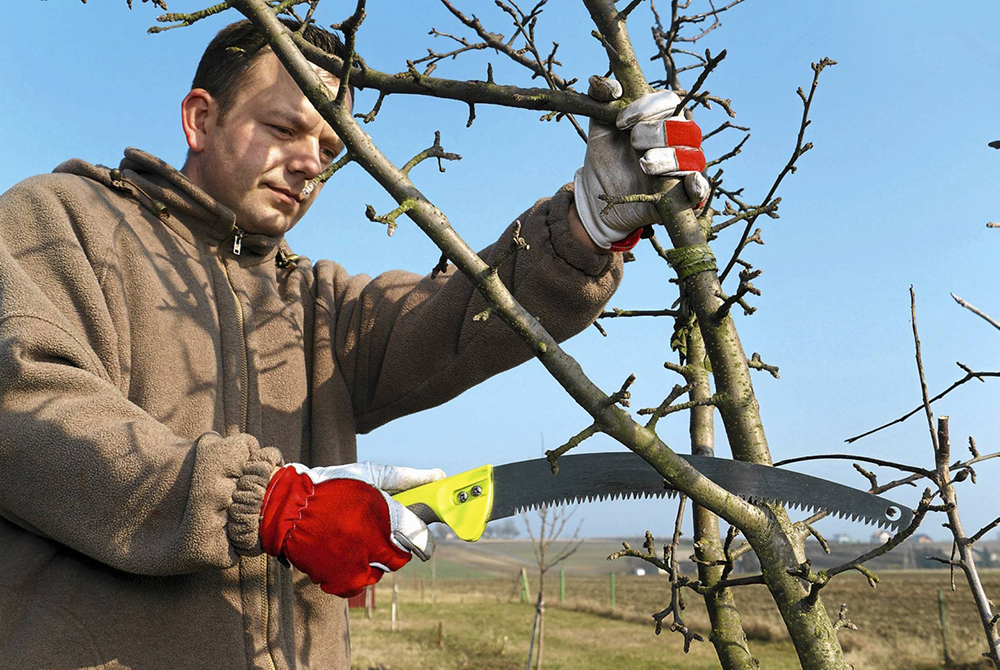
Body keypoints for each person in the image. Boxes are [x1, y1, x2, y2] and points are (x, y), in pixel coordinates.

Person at [0, 18, 705, 670]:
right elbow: (23, 404)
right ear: (201, 119)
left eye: (329, 148)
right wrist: (265, 504)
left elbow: (456, 316)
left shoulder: (314, 304)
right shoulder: (60, 223)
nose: (310, 162)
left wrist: (591, 220)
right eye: (284, 128)